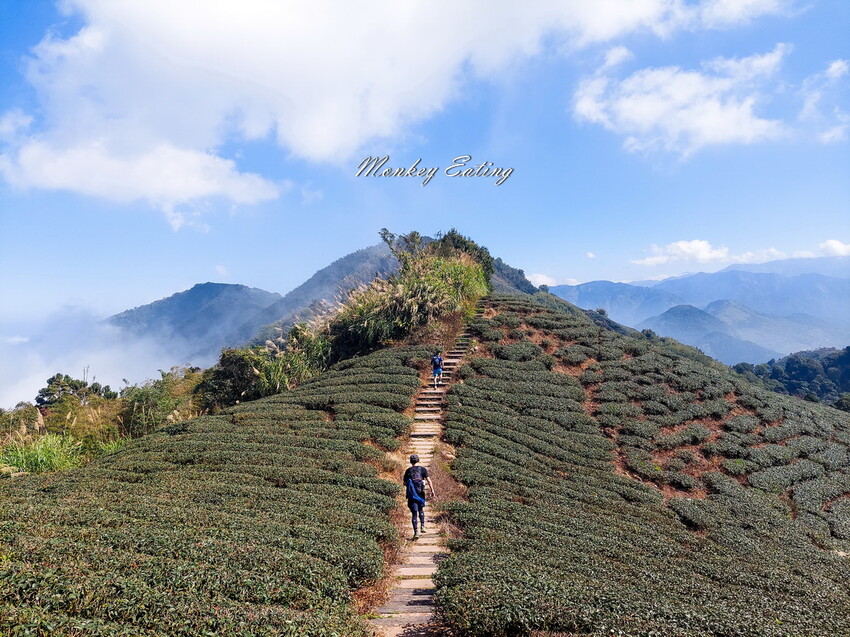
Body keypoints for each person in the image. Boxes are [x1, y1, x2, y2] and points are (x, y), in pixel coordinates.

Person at [404, 454, 435, 539]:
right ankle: (422, 526)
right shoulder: (423, 469)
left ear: (411, 461)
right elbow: (429, 480)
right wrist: (432, 490)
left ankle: (416, 532)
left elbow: (404, 483)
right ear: (418, 460)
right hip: (420, 493)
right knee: (421, 509)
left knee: (414, 513)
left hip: (412, 495)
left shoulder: (408, 471)